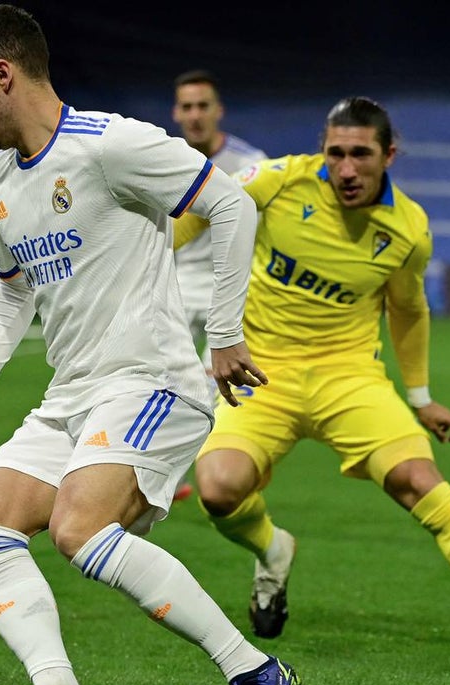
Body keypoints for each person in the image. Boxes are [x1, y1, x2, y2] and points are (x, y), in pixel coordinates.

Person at [0, 4, 297, 685]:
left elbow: (230, 204)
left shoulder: (111, 144)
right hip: (73, 392)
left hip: (152, 381)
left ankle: (253, 667)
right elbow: (12, 288)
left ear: (3, 75)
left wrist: (225, 336)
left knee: (78, 527)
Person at [176, 96, 450, 658]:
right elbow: (196, 212)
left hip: (349, 377)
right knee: (217, 490)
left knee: (419, 481)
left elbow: (408, 310)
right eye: (334, 153)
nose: (345, 168)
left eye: (360, 154)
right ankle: (272, 552)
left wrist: (421, 396)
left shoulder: (409, 228)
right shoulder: (278, 181)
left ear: (388, 154)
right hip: (263, 372)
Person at [169, 69, 268, 503]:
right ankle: (162, 479)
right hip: (169, 281)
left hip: (226, 287)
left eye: (202, 106)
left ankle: (225, 472)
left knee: (223, 388)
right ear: (176, 112)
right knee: (155, 380)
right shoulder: (160, 157)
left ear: (218, 111)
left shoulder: (252, 163)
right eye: (186, 107)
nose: (195, 115)